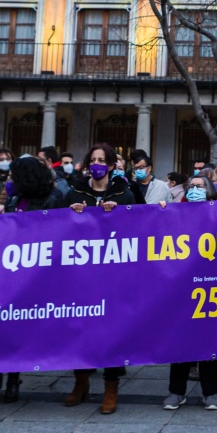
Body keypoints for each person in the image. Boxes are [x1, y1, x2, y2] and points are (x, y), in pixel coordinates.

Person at [0, 156, 64, 403]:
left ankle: (12, 378)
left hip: (32, 275)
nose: (9, 181)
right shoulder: (13, 200)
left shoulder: (51, 200)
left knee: (16, 329)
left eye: (13, 177)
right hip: (8, 273)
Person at [62, 144, 135, 413]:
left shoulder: (124, 194)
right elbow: (57, 229)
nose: (97, 164)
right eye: (92, 160)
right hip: (80, 277)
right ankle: (80, 382)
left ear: (112, 165)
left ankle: (111, 387)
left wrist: (119, 214)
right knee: (79, 328)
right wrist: (70, 214)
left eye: (102, 160)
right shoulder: (74, 193)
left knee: (111, 332)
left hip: (112, 278)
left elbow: (137, 228)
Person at [165, 174, 217, 411]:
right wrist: (161, 212)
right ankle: (175, 392)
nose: (194, 190)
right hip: (183, 286)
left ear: (209, 191)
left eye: (200, 187)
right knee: (180, 340)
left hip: (212, 287)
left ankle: (211, 393)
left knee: (211, 341)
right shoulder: (175, 212)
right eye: (191, 186)